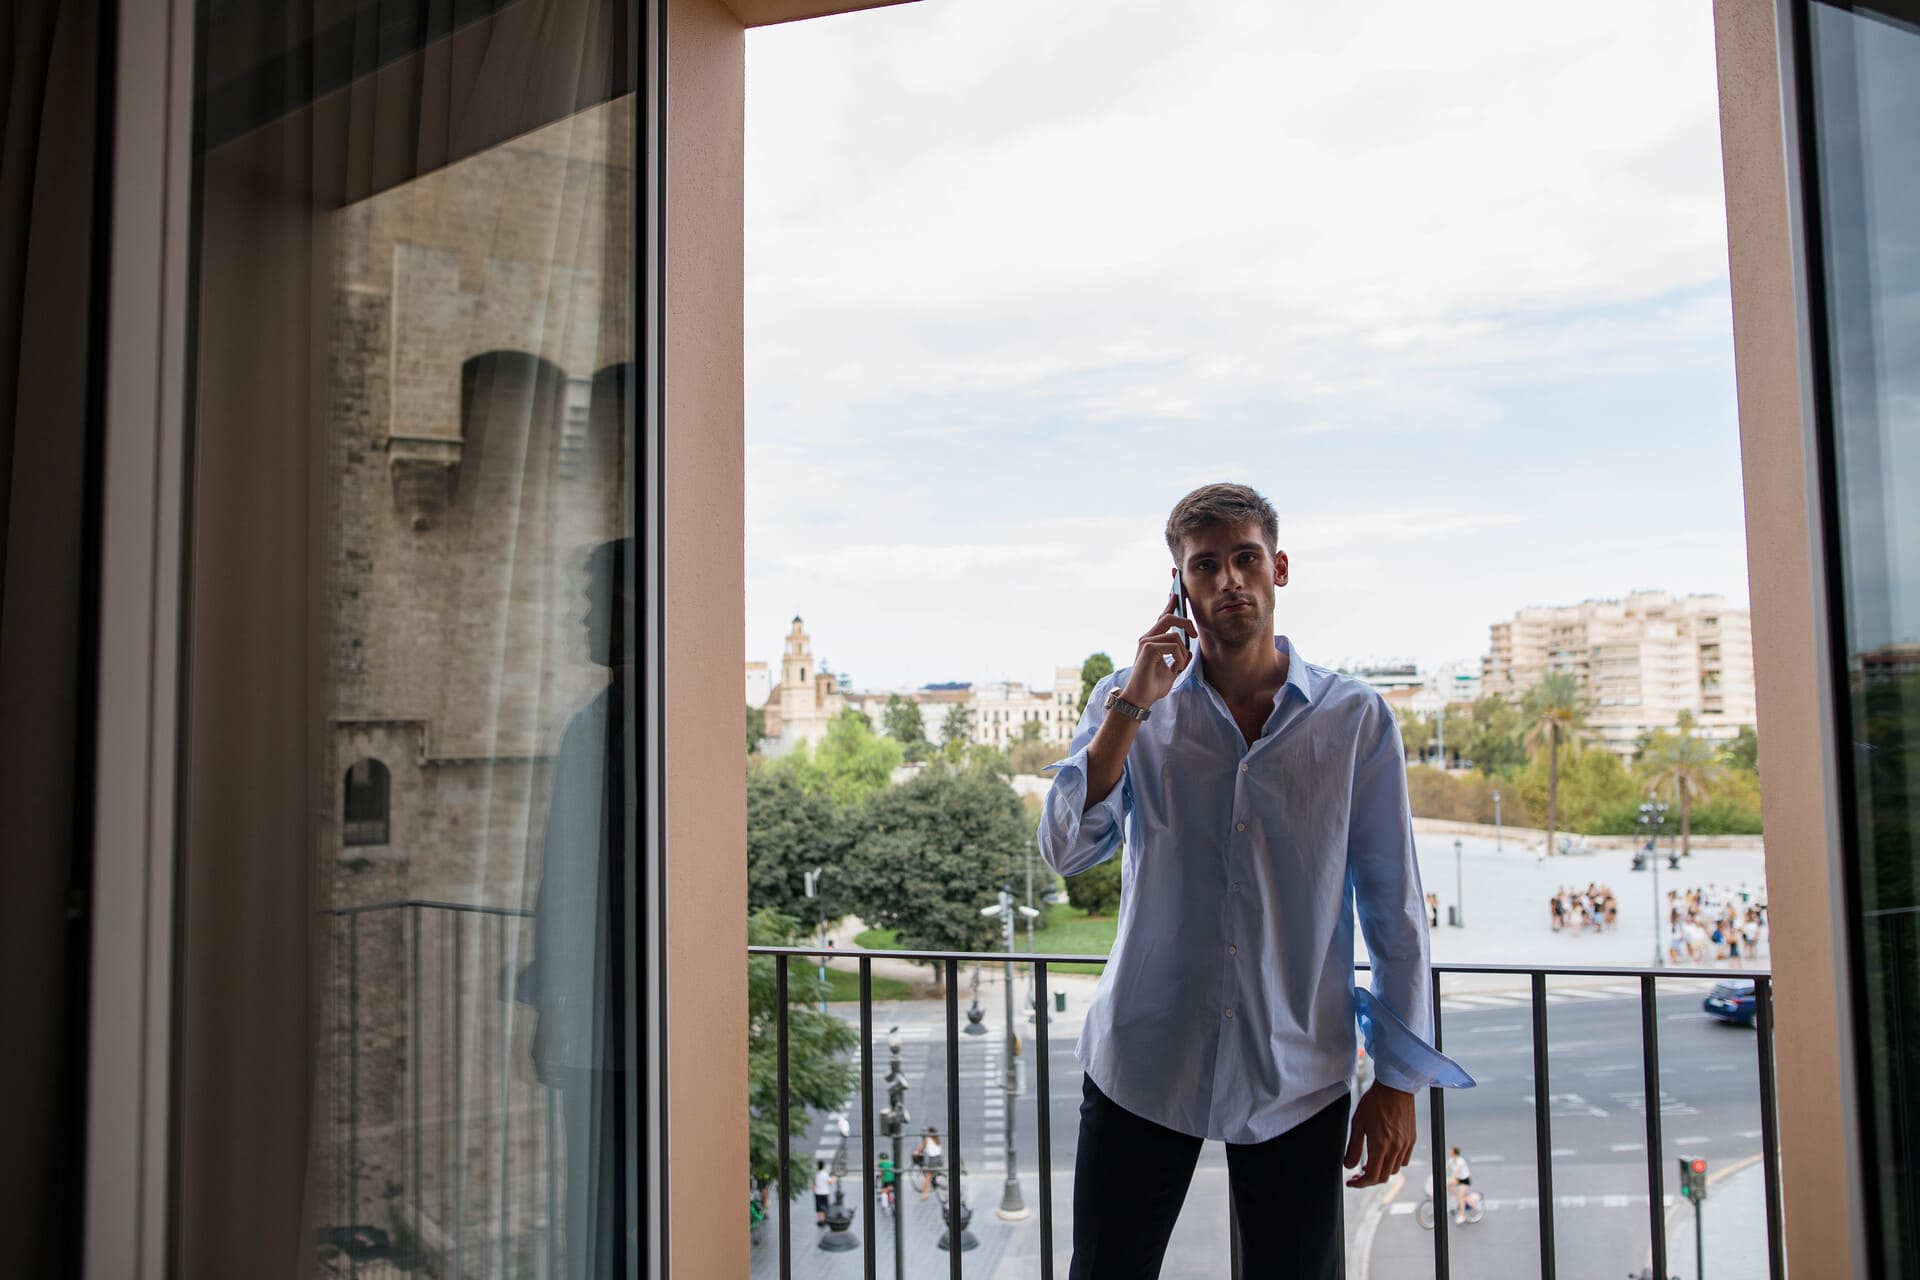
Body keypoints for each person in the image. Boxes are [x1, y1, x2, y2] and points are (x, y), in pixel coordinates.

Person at [1038, 484, 1471, 1280]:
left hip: (1296, 1068)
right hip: (1145, 1055)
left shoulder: (1356, 719)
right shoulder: (1130, 707)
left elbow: (1394, 908)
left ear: (1277, 567)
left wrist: (1399, 1080)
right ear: (1180, 586)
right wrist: (1132, 703)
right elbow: (1069, 848)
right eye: (1206, 566)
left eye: (1244, 558)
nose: (1229, 580)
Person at [913, 1128, 944, 1200]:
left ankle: (923, 1195)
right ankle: (936, 1184)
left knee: (927, 1177)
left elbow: (920, 1149)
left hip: (933, 1160)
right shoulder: (937, 1139)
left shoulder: (927, 1139)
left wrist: (916, 1153)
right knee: (932, 1175)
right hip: (939, 1159)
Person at [1445, 1147, 1473, 1224]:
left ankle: (1462, 1215)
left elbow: (1456, 1172)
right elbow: (1445, 1167)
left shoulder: (1460, 1161)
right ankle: (1456, 1197)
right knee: (1446, 1186)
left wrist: (1451, 1178)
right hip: (1458, 1179)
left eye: (1450, 1151)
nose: (1449, 1151)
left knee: (1461, 1197)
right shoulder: (1451, 1160)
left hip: (1464, 1180)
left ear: (1454, 1153)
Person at [813, 1161, 834, 1226]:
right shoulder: (825, 1174)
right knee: (825, 1206)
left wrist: (814, 1192)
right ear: (823, 1166)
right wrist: (834, 1177)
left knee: (819, 1208)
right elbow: (830, 1182)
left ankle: (820, 1220)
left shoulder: (817, 1174)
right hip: (825, 1192)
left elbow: (814, 1184)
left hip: (817, 1193)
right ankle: (824, 1219)